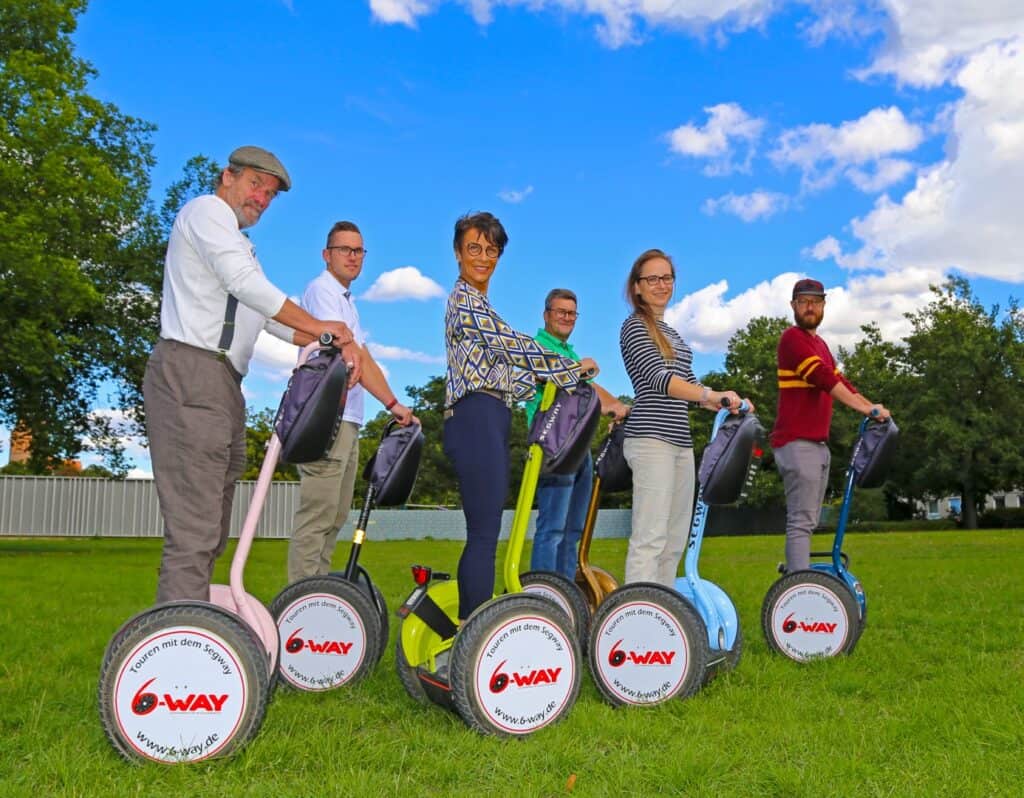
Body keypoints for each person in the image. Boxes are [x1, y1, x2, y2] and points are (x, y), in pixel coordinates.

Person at [145, 145, 362, 604]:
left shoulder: (241, 244)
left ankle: (192, 621)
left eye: (271, 195)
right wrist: (322, 325)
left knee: (213, 522)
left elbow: (269, 319)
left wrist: (326, 340)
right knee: (195, 525)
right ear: (227, 176)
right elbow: (247, 285)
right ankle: (179, 637)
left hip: (223, 383)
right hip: (191, 370)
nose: (262, 198)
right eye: (256, 185)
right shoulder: (207, 212)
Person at [443, 212, 599, 623]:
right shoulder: (464, 302)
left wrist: (556, 387)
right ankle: (473, 629)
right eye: (473, 248)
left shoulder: (482, 304)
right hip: (474, 415)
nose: (483, 257)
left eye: (491, 250)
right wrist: (568, 368)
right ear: (458, 253)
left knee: (488, 530)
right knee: (482, 533)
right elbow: (512, 346)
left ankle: (476, 621)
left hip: (493, 414)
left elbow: (513, 380)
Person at [286, 221, 417, 582]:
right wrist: (392, 403)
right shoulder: (322, 291)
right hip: (327, 420)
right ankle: (299, 602)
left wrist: (393, 404)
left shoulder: (346, 301)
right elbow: (350, 353)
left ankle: (317, 593)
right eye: (344, 249)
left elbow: (363, 357)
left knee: (336, 515)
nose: (353, 257)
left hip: (348, 419)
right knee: (318, 515)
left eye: (359, 250)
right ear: (327, 255)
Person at [619, 249, 751, 588]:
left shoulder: (672, 333)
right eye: (652, 279)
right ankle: (636, 616)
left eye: (667, 278)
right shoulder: (634, 327)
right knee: (650, 537)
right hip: (651, 440)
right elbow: (660, 379)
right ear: (637, 287)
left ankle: (662, 612)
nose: (661, 285)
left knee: (675, 539)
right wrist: (709, 396)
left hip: (679, 442)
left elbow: (689, 384)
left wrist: (724, 400)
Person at [771, 278, 891, 572]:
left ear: (824, 305)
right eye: (803, 302)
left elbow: (841, 381)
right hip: (797, 442)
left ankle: (798, 576)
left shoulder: (820, 344)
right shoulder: (792, 338)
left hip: (817, 444)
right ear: (793, 306)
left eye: (815, 301)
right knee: (801, 522)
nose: (810, 307)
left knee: (808, 520)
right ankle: (797, 585)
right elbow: (823, 378)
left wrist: (872, 407)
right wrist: (865, 408)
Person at [525, 288, 630, 580]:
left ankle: (566, 593)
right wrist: (579, 367)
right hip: (554, 444)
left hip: (578, 444)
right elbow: (547, 373)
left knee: (574, 530)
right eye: (560, 312)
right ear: (546, 315)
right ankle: (544, 594)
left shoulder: (568, 352)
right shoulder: (537, 347)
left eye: (571, 313)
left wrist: (619, 407)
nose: (566, 318)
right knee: (553, 527)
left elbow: (590, 390)